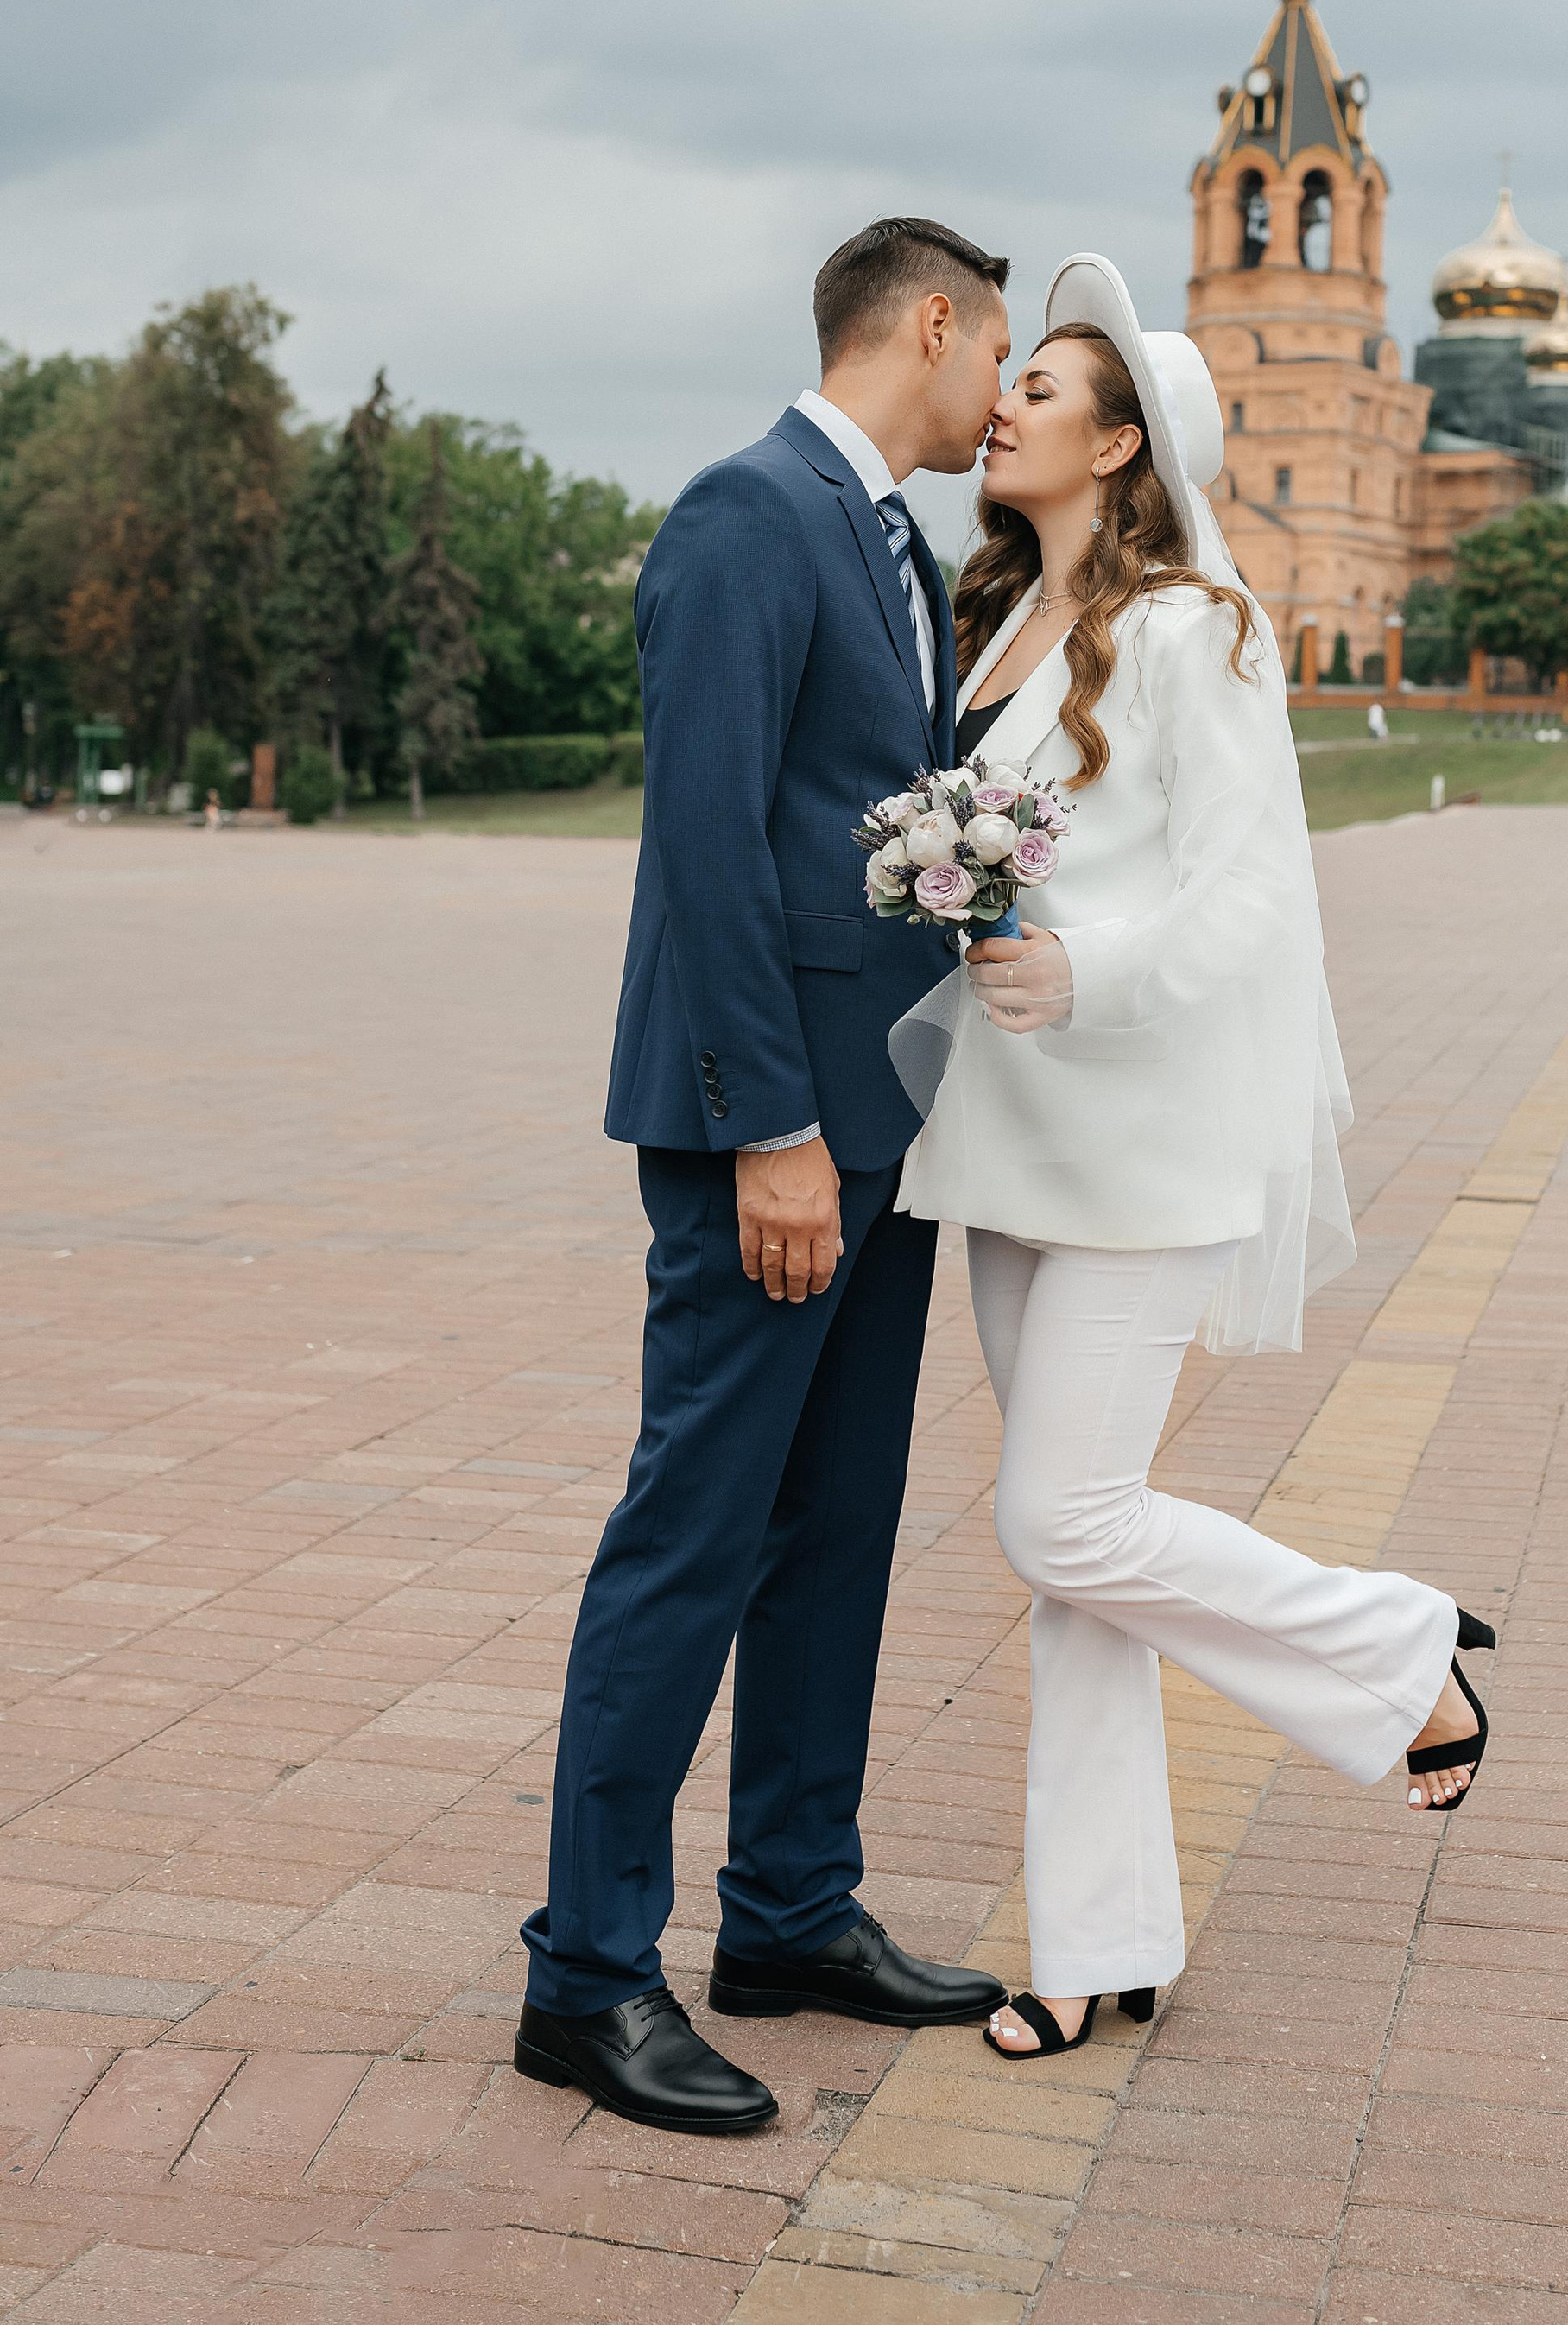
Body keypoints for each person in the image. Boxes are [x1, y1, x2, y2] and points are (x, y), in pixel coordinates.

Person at [892, 255, 1493, 2063]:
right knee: (1076, 1560)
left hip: (1148, 1139)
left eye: (1048, 385)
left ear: (1124, 449)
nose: (1005, 399)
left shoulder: (1192, 632)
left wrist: (1086, 968)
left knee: (1063, 1517)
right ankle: (1096, 1943)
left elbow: (1249, 896)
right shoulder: (997, 626)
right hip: (1014, 1137)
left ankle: (1397, 1654)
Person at [515, 217, 1019, 2138]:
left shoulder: (889, 538)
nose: (1003, 398)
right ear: (930, 324)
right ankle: (584, 1977)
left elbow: (867, 819)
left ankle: (791, 1909)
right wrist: (769, 1130)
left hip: (882, 1131)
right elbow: (708, 850)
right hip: (775, 1139)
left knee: (835, 1535)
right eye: (996, 361)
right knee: (694, 1536)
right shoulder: (745, 516)